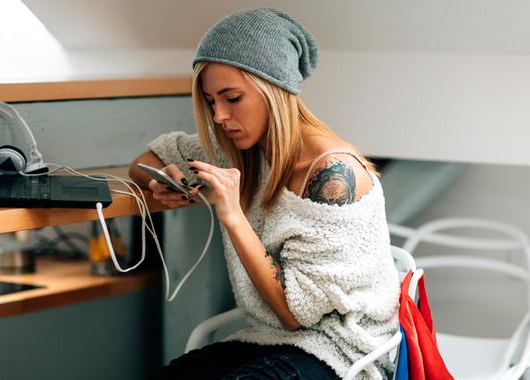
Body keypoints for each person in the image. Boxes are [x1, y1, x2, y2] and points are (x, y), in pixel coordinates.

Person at [129, 8, 400, 380]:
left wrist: (233, 215)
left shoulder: (333, 175)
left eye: (232, 98)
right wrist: (162, 177)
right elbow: (147, 159)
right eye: (211, 101)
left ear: (274, 90)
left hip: (342, 353)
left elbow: (292, 314)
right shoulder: (242, 151)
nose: (220, 116)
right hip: (267, 339)